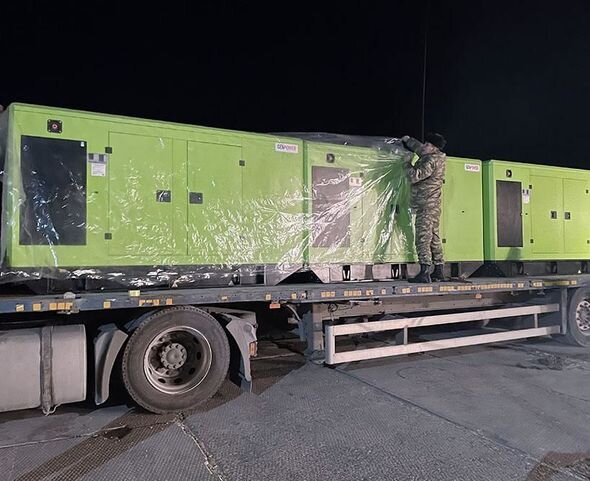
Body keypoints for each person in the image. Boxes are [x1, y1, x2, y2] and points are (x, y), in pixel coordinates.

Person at [401, 132, 447, 283]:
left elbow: (414, 176)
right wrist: (408, 140)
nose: (424, 146)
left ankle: (424, 272)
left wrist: (406, 162)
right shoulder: (436, 156)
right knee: (434, 237)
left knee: (423, 238)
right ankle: (439, 270)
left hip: (426, 205)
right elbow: (419, 148)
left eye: (427, 144)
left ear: (434, 148)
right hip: (433, 205)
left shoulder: (430, 161)